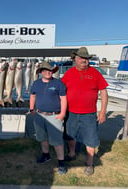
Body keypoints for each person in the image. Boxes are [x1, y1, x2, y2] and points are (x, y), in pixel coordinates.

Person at [61, 47, 108, 176]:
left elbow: (104, 92)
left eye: (87, 58)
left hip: (89, 114)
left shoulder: (95, 73)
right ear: (75, 59)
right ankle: (71, 154)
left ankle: (89, 162)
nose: (85, 61)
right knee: (70, 136)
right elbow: (60, 92)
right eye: (82, 58)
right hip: (71, 113)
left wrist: (103, 111)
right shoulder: (69, 73)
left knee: (90, 139)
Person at [29, 61, 67, 175]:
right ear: (41, 72)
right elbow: (33, 95)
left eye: (50, 70)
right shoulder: (36, 83)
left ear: (53, 71)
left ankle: (61, 162)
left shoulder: (59, 83)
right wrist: (31, 109)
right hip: (39, 115)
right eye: (45, 70)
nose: (48, 72)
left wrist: (62, 114)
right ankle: (46, 155)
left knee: (57, 141)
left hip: (54, 116)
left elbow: (64, 99)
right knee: (42, 138)